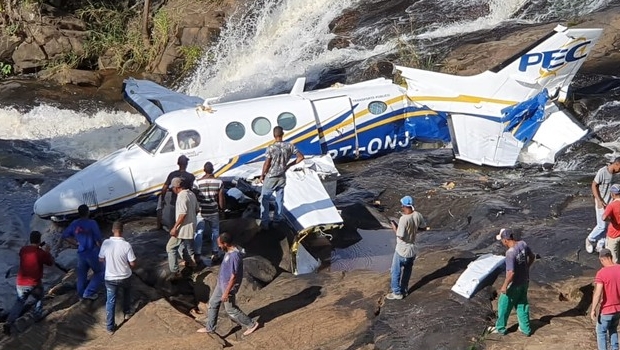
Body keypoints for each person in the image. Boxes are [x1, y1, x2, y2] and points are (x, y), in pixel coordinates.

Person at [196, 232, 259, 336]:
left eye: (220, 244)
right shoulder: (228, 251)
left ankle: (251, 324)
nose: (219, 246)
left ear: (225, 243)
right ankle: (210, 327)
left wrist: (226, 292)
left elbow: (234, 276)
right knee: (212, 303)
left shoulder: (234, 256)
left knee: (230, 309)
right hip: (221, 284)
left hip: (228, 287)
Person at [3, 231, 54, 335]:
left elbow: (30, 254)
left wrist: (39, 248)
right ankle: (37, 315)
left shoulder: (23, 250)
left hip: (21, 283)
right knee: (39, 297)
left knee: (20, 302)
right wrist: (47, 252)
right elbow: (50, 262)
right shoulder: (41, 253)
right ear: (39, 240)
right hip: (34, 283)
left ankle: (9, 322)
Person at [488, 228, 536, 336]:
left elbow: (511, 273)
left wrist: (504, 286)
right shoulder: (523, 244)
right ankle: (525, 329)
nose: (501, 242)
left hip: (513, 285)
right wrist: (526, 267)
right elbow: (532, 257)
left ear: (505, 240)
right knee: (522, 304)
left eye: (501, 240)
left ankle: (500, 328)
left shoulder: (510, 253)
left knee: (503, 304)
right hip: (524, 281)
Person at [258, 126, 304, 230]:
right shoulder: (290, 146)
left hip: (271, 176)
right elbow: (301, 157)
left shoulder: (271, 148)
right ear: (282, 134)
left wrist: (262, 175)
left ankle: (265, 222)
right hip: (282, 176)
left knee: (264, 199)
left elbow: (267, 163)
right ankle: (277, 220)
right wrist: (288, 165)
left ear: (274, 135)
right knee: (279, 199)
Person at [386, 195, 427, 300]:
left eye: (402, 205)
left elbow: (400, 235)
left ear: (404, 206)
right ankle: (404, 290)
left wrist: (394, 227)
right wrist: (413, 231)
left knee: (395, 271)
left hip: (401, 249)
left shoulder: (404, 219)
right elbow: (423, 228)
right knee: (407, 271)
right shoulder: (418, 215)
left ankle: (396, 293)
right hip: (412, 250)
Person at [99, 221, 136, 335]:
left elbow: (100, 259)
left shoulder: (105, 243)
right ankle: (127, 313)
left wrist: (108, 263)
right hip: (125, 276)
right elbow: (133, 263)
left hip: (110, 278)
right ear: (122, 231)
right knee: (127, 293)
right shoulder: (126, 245)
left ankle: (110, 327)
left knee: (110, 301)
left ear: (112, 230)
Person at [61, 204, 103, 300]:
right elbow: (98, 240)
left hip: (81, 253)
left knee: (81, 274)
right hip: (92, 252)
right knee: (100, 272)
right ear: (88, 212)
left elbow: (65, 235)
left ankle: (81, 294)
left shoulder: (74, 223)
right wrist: (103, 252)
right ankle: (89, 292)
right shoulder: (92, 223)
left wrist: (76, 243)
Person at [586, 158, 620, 254]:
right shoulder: (603, 172)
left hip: (611, 203)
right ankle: (590, 239)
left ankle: (600, 245)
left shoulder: (616, 175)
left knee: (608, 225)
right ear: (616, 164)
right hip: (601, 202)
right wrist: (599, 200)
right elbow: (594, 185)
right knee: (601, 226)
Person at [167, 177, 198, 278]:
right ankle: (191, 263)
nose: (172, 190)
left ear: (176, 187)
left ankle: (175, 272)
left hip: (182, 228)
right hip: (191, 225)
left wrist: (175, 227)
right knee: (185, 247)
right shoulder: (191, 194)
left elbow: (182, 214)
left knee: (170, 247)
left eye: (173, 188)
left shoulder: (181, 196)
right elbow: (197, 209)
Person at [195, 161, 225, 265]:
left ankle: (197, 255)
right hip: (213, 211)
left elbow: (195, 197)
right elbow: (221, 198)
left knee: (199, 232)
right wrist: (222, 210)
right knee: (215, 231)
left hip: (201, 211)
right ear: (213, 170)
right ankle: (215, 254)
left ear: (204, 170)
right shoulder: (219, 182)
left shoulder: (197, 182)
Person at [591, 248, 620, 350]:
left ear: (602, 259)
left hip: (607, 310)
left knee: (601, 333)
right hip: (618, 309)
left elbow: (598, 293)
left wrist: (593, 309)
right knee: (613, 329)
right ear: (611, 256)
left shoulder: (601, 273)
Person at [157, 155, 196, 230]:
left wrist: (162, 199)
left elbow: (164, 187)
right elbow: (193, 190)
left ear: (178, 163)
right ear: (186, 164)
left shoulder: (172, 174)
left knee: (173, 220)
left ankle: (173, 233)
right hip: (184, 201)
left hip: (173, 201)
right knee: (184, 221)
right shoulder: (190, 176)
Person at [603, 184, 620, 263]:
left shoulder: (612, 205)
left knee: (613, 257)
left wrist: (610, 219)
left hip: (614, 234)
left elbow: (604, 218)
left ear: (612, 194)